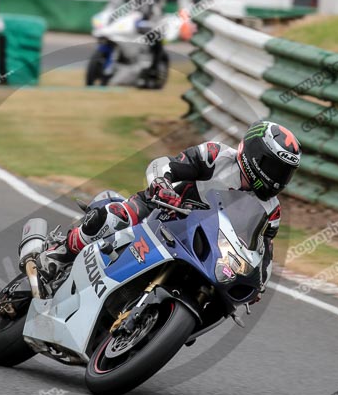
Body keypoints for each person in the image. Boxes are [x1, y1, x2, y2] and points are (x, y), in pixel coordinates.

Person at [31, 120, 302, 299]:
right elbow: (169, 164)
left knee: (213, 297)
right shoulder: (217, 156)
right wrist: (161, 183)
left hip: (201, 250)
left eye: (286, 173)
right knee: (114, 217)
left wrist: (258, 284)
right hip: (161, 212)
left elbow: (263, 252)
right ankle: (59, 256)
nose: (278, 178)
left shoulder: (271, 210)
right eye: (274, 167)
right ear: (255, 154)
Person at [110, 0, 164, 80]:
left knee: (156, 37)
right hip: (125, 21)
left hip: (144, 22)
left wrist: (150, 18)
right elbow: (115, 2)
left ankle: (154, 67)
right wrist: (110, 13)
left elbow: (157, 10)